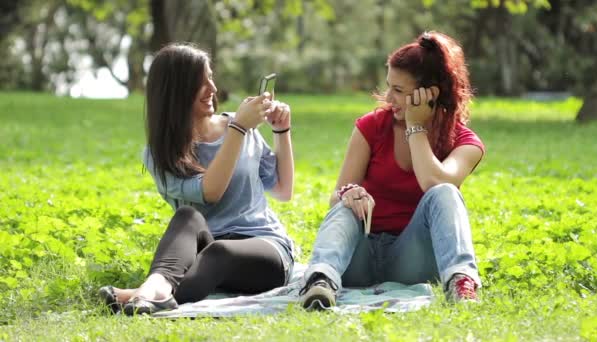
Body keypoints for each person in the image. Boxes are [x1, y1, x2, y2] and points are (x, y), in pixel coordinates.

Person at [99, 43, 295, 315]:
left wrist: (281, 130)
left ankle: (143, 294)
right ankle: (156, 289)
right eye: (200, 83)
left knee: (219, 253)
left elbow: (284, 190)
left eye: (211, 78)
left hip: (265, 248)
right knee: (186, 217)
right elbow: (210, 191)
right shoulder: (161, 155)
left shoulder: (239, 127)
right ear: (175, 92)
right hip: (207, 249)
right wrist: (239, 128)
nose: (213, 89)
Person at [298, 31, 485, 310]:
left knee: (446, 192)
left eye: (398, 90)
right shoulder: (371, 126)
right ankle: (320, 281)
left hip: (412, 260)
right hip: (360, 255)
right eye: (389, 87)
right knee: (345, 201)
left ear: (430, 94)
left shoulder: (465, 142)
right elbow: (335, 201)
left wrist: (415, 127)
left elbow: (434, 182)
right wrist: (351, 194)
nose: (389, 98)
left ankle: (461, 284)